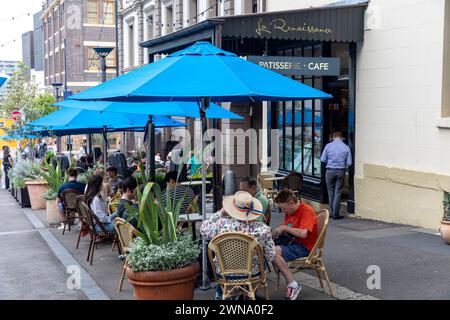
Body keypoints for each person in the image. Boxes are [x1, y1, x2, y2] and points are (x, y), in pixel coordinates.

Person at [200, 191, 275, 300]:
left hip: (224, 273)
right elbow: (271, 256)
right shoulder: (263, 229)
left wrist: (220, 212)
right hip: (251, 273)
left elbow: (203, 229)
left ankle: (233, 294)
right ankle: (248, 295)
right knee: (262, 262)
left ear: (231, 209)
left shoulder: (221, 225)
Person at [272, 189, 318, 300]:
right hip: (292, 242)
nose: (283, 211)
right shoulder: (290, 211)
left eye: (284, 208)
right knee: (264, 246)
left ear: (291, 203)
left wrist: (284, 228)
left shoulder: (306, 211)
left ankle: (293, 284)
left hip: (305, 247)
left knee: (272, 252)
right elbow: (289, 229)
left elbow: (303, 234)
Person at [320, 131, 352, 220]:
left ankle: (330, 212)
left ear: (333, 137)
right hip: (340, 171)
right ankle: (336, 214)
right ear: (342, 137)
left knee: (331, 192)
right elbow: (349, 163)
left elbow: (322, 159)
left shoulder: (328, 146)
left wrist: (331, 162)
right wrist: (342, 164)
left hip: (329, 171)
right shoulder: (346, 147)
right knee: (338, 192)